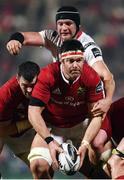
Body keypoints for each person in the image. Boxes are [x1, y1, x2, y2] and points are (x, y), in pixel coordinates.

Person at [6, 6, 115, 116]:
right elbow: (24, 36)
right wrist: (15, 40)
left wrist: (107, 101)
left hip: (83, 97)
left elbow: (107, 77)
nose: (64, 28)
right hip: (64, 92)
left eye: (68, 23)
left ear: (78, 26)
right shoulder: (53, 37)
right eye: (60, 24)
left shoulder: (88, 47)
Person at [27, 39, 107, 179]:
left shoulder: (92, 77)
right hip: (52, 127)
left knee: (101, 168)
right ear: (61, 61)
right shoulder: (47, 75)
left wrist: (85, 143)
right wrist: (49, 141)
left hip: (80, 127)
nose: (76, 65)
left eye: (79, 60)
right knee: (39, 166)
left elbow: (97, 116)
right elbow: (33, 112)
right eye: (71, 61)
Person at [0, 61, 40, 166]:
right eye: (25, 85)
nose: (29, 90)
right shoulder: (6, 94)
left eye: (32, 85)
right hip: (9, 132)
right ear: (17, 78)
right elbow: (2, 131)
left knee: (42, 168)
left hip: (34, 131)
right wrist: (31, 121)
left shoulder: (47, 86)